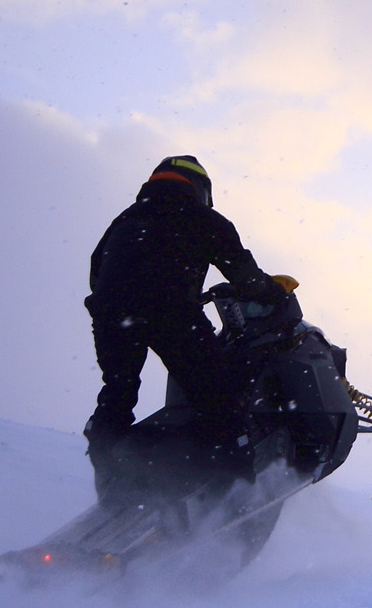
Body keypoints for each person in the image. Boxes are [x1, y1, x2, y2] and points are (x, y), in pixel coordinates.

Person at [83, 155, 281, 463]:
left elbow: (97, 273)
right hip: (169, 310)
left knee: (117, 395)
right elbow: (244, 274)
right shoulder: (201, 217)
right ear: (200, 188)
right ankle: (233, 481)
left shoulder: (125, 219)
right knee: (219, 397)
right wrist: (271, 291)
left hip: (111, 312)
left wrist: (123, 301)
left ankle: (111, 473)